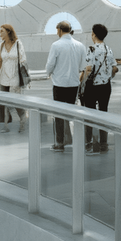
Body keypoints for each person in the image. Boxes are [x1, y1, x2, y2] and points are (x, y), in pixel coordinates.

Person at [43, 21, 87, 150]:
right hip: (74, 84)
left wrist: (48, 73)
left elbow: (50, 64)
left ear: (60, 30)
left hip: (59, 84)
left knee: (58, 114)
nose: (57, 32)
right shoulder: (80, 45)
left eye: (57, 30)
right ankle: (72, 139)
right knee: (71, 113)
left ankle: (60, 142)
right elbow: (83, 66)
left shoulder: (56, 45)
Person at [80, 22, 117, 151]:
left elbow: (88, 69)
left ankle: (89, 142)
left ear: (94, 34)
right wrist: (107, 77)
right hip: (105, 87)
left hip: (92, 87)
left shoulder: (91, 49)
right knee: (103, 112)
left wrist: (82, 83)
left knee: (89, 114)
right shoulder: (108, 49)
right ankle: (103, 143)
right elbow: (115, 68)